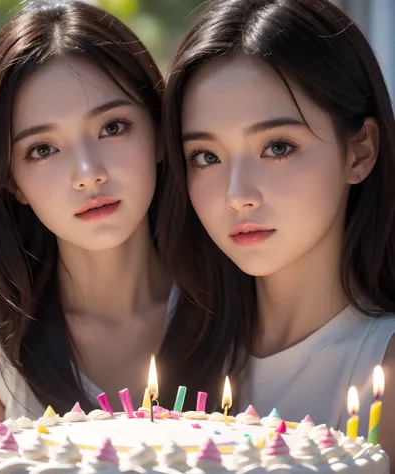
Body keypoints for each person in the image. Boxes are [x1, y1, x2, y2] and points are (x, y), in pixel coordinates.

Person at [0, 1, 230, 472]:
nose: (88, 174)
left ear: (158, 132)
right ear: (10, 180)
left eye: (112, 127)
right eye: (42, 149)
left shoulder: (236, 289)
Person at [160, 0, 395, 464]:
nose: (237, 194)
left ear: (359, 153)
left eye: (277, 147)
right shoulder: (173, 340)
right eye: (206, 156)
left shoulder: (382, 373)